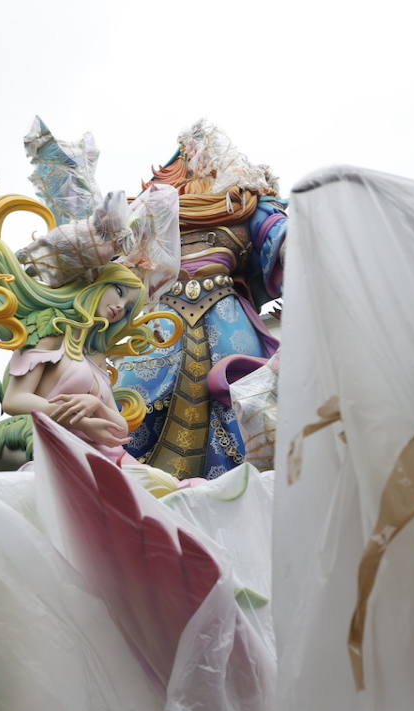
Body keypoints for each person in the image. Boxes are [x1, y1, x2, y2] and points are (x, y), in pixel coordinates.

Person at [0, 196, 180, 466]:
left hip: (108, 456)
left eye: (129, 308)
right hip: (57, 444)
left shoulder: (96, 355)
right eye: (118, 291)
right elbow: (14, 401)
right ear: (96, 286)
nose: (120, 306)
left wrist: (94, 406)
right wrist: (79, 420)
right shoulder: (53, 326)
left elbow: (119, 430)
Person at [115, 121, 287, 480]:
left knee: (240, 397)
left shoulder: (243, 202)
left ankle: (245, 484)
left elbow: (275, 230)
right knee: (130, 397)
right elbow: (119, 260)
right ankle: (114, 472)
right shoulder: (154, 212)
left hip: (225, 312)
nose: (197, 159)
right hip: (163, 318)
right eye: (190, 154)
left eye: (205, 152)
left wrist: (294, 239)